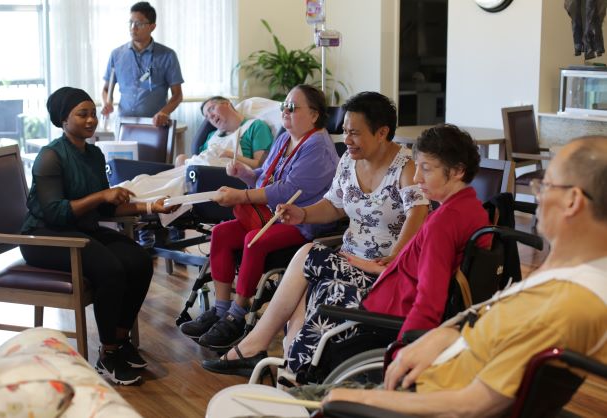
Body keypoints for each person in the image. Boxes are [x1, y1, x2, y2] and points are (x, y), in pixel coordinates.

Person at [316, 137, 607, 417]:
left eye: (545, 185)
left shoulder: (567, 303)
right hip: (428, 373)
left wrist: (359, 397)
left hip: (417, 400)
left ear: (572, 201)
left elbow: (470, 406)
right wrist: (450, 333)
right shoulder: (566, 273)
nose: (539, 195)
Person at [202, 124, 491, 377]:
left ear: (457, 172)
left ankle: (284, 364)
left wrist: (403, 353)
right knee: (314, 264)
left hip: (393, 305)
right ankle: (286, 363)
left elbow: (429, 301)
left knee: (318, 273)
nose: (417, 178)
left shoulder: (442, 222)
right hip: (393, 281)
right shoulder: (472, 209)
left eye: (426, 169)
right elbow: (420, 267)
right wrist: (371, 264)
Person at [19, 87, 177, 386]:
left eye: (93, 113)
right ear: (63, 119)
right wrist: (101, 194)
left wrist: (150, 206)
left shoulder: (93, 153)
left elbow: (105, 207)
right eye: (83, 114)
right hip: (44, 237)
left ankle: (119, 339)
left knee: (140, 260)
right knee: (110, 268)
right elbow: (55, 213)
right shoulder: (50, 157)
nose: (91, 119)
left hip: (79, 230)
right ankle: (107, 355)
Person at [179, 84, 340, 348]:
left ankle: (238, 315)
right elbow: (265, 174)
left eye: (292, 107)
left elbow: (288, 190)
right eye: (284, 107)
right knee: (221, 233)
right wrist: (244, 174)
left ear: (314, 115)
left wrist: (241, 196)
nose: (285, 112)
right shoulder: (286, 137)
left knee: (254, 240)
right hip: (271, 214)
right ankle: (221, 309)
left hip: (303, 220)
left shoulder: (318, 147)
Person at [119, 96, 274, 246]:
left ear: (227, 103)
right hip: (194, 171)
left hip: (219, 177)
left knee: (174, 184)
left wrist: (230, 155)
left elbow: (259, 167)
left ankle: (130, 202)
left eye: (212, 108)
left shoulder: (256, 126)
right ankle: (122, 195)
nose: (211, 116)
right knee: (146, 180)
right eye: (207, 115)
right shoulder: (212, 136)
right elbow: (200, 160)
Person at [101, 1, 183, 128]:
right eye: (131, 23)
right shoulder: (116, 54)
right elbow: (106, 89)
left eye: (139, 23)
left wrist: (164, 112)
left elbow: (177, 95)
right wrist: (107, 102)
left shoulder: (167, 55)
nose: (133, 28)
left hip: (155, 125)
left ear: (152, 26)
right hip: (124, 124)